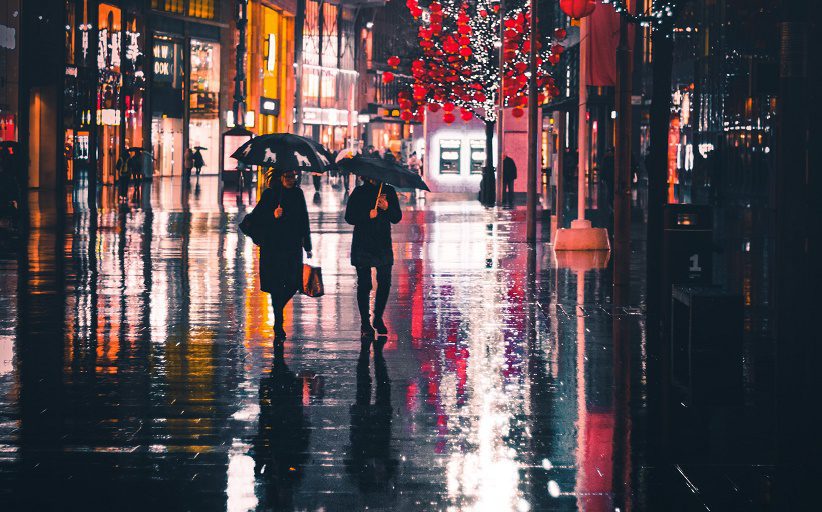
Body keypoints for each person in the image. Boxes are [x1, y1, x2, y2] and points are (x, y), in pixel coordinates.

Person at [248, 169, 313, 341]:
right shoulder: (270, 195)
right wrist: (273, 215)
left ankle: (278, 309)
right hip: (273, 248)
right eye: (288, 176)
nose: (292, 180)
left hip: (292, 247)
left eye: (294, 176)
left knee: (294, 283)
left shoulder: (298, 194)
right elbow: (255, 219)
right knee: (276, 287)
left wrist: (307, 245)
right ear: (280, 177)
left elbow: (304, 220)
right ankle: (278, 323)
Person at [345, 178, 402, 338]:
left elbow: (396, 217)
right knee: (364, 284)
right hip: (363, 244)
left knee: (385, 281)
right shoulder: (359, 192)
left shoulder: (388, 191)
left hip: (382, 244)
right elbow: (349, 217)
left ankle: (378, 317)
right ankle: (365, 322)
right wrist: (367, 215)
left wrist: (387, 207)